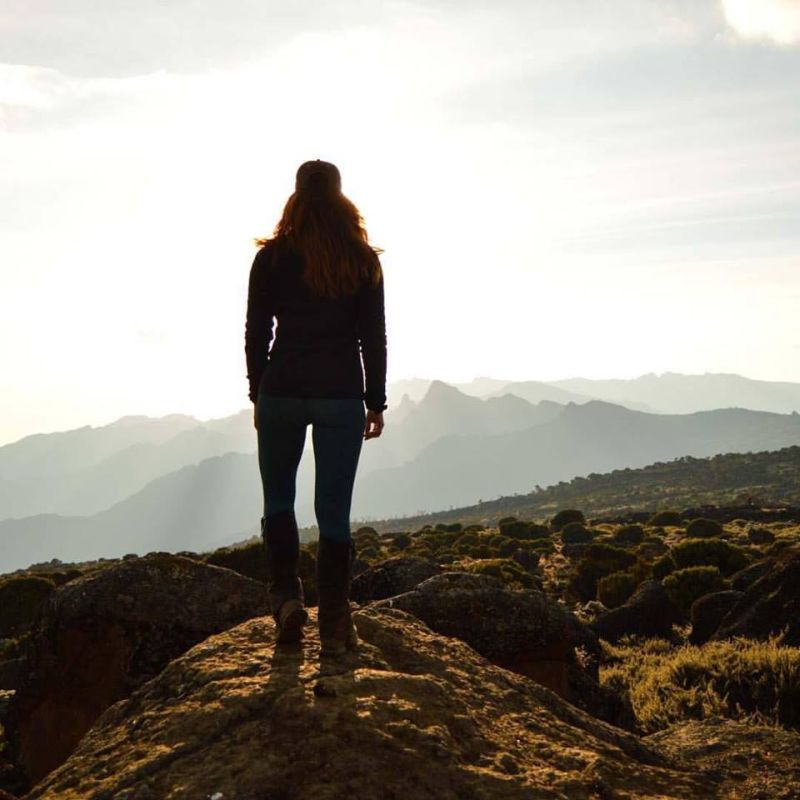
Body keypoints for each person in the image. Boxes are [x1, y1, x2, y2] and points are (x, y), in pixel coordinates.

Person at [244, 159, 387, 657]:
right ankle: (334, 620)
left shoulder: (271, 259)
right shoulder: (361, 259)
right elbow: (373, 337)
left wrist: (257, 392)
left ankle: (286, 603)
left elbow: (257, 333)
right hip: (341, 396)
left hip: (281, 390)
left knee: (278, 502)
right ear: (341, 196)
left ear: (297, 195)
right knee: (334, 513)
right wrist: (376, 401)